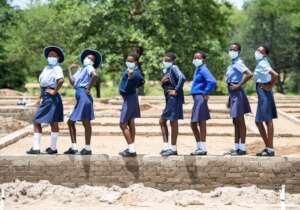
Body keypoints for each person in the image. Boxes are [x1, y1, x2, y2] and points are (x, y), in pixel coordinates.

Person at [27, 46, 64, 155]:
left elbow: (61, 80)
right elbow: (43, 84)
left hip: (51, 96)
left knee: (36, 121)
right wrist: (40, 97)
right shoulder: (46, 68)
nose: (51, 57)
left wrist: (54, 91)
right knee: (53, 122)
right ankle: (53, 148)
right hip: (47, 96)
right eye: (49, 55)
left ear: (58, 57)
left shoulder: (57, 68)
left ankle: (36, 147)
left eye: (53, 55)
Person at [64, 49, 101, 155]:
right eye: (87, 57)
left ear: (93, 62)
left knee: (84, 122)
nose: (87, 59)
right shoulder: (81, 70)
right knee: (73, 122)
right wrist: (69, 70)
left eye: (90, 58)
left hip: (84, 96)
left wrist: (89, 88)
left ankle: (87, 148)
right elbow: (72, 83)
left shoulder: (89, 67)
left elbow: (95, 76)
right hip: (80, 97)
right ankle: (75, 147)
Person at [225, 43, 252, 156]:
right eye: (230, 49)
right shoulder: (231, 64)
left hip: (238, 93)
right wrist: (229, 97)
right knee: (235, 121)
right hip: (232, 94)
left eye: (234, 49)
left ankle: (242, 148)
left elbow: (249, 74)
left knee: (240, 121)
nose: (232, 51)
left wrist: (239, 85)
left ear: (239, 51)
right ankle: (236, 146)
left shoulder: (239, 63)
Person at [190, 51, 217, 155]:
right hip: (197, 99)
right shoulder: (198, 69)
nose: (195, 59)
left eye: (198, 58)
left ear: (203, 59)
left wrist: (205, 92)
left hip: (200, 98)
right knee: (193, 124)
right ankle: (199, 147)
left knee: (201, 122)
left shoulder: (203, 69)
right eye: (194, 57)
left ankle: (203, 148)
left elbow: (212, 81)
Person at [159, 52, 186, 156]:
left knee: (172, 122)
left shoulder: (174, 68)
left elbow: (182, 78)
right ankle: (167, 146)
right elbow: (167, 84)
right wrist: (162, 82)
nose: (166, 62)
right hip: (169, 99)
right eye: (165, 60)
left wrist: (176, 90)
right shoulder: (167, 71)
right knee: (164, 121)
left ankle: (173, 148)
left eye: (168, 60)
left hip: (174, 98)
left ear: (173, 61)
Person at [118, 52, 145, 157]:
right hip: (130, 98)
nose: (128, 62)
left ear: (136, 62)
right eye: (128, 60)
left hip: (130, 99)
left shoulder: (134, 73)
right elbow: (142, 81)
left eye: (131, 61)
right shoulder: (133, 71)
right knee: (130, 122)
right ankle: (131, 147)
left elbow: (131, 87)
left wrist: (130, 79)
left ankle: (131, 149)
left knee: (122, 123)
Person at [254, 45, 278, 157]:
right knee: (258, 121)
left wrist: (269, 86)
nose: (257, 52)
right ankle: (268, 147)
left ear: (265, 54)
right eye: (257, 50)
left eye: (260, 51)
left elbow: (275, 75)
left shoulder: (263, 63)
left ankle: (270, 149)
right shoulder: (262, 62)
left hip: (264, 92)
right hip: (261, 92)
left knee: (267, 120)